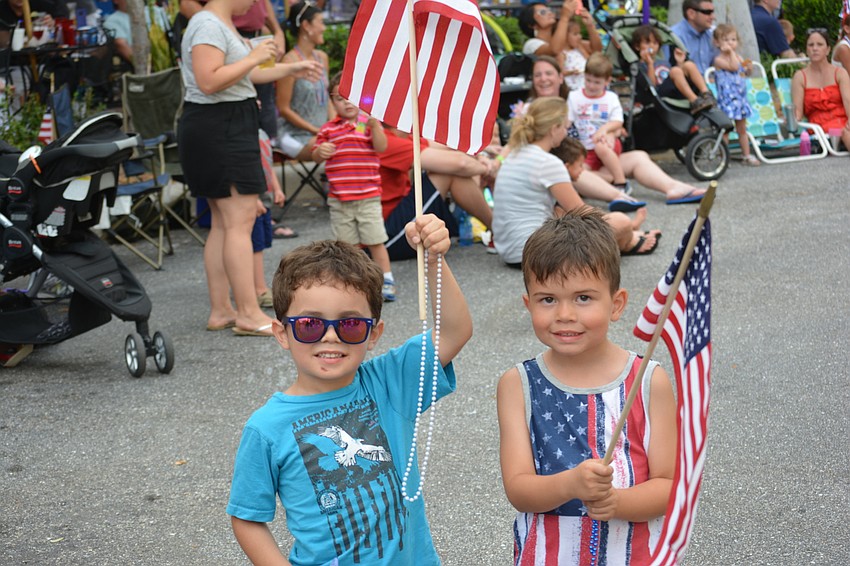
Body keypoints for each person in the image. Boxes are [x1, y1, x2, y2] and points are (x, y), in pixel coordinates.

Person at [227, 215, 473, 565]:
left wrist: (434, 259)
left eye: (351, 324)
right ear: (282, 333)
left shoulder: (389, 383)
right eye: (310, 324)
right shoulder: (265, 428)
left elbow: (454, 331)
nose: (331, 336)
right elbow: (248, 516)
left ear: (373, 333)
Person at [496, 208, 676, 564]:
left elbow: (670, 485)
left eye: (583, 298)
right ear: (528, 303)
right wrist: (571, 485)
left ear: (617, 303)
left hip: (634, 554)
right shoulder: (518, 384)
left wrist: (617, 502)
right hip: (549, 554)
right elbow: (518, 488)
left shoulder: (648, 380)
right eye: (548, 299)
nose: (565, 314)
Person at [177, 0, 321, 336]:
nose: (256, 3)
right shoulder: (209, 25)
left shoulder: (215, 23)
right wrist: (255, 56)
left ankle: (222, 310)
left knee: (224, 224)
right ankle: (247, 313)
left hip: (220, 123)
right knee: (240, 221)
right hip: (222, 125)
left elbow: (244, 75)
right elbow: (208, 80)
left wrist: (287, 70)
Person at [492, 97, 660, 267]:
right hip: (534, 252)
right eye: (564, 127)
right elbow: (581, 212)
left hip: (509, 250)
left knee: (605, 224)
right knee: (620, 221)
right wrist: (616, 225)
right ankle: (629, 240)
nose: (565, 133)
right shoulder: (547, 162)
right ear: (554, 129)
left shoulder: (515, 154)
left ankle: (627, 237)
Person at [520, 56, 706, 207]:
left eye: (548, 74)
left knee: (638, 157)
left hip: (596, 155)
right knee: (572, 170)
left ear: (561, 77)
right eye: (538, 75)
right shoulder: (530, 110)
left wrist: (611, 133)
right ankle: (619, 194)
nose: (543, 79)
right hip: (569, 168)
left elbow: (613, 124)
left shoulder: (575, 98)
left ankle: (674, 188)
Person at [312, 73, 396, 301]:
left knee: (376, 240)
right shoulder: (329, 129)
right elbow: (317, 153)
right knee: (347, 246)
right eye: (340, 98)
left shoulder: (365, 125)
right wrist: (321, 151)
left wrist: (375, 126)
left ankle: (386, 279)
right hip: (340, 199)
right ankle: (354, 283)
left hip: (368, 196)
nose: (346, 102)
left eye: (351, 97)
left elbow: (381, 147)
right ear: (332, 102)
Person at [380, 129, 497, 260]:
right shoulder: (384, 140)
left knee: (449, 170)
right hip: (384, 238)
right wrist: (488, 169)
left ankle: (497, 229)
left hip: (392, 217)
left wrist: (481, 155)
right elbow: (461, 164)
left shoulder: (397, 136)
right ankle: (498, 231)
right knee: (447, 173)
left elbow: (450, 147)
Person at [275, 1, 332, 161]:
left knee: (353, 142)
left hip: (321, 132)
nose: (324, 28)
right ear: (306, 25)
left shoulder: (322, 58)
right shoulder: (289, 62)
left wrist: (336, 125)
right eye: (321, 22)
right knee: (337, 149)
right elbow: (284, 109)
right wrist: (315, 130)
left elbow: (326, 98)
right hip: (295, 135)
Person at [568, 53, 630, 193]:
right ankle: (609, 179)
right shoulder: (575, 97)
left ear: (607, 81)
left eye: (597, 82)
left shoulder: (610, 98)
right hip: (585, 149)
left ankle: (621, 183)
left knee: (600, 147)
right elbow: (568, 121)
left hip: (607, 144)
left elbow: (618, 121)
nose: (591, 86)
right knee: (579, 174)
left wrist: (604, 130)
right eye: (588, 80)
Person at [632, 24, 715, 115]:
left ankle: (706, 94)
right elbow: (651, 85)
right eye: (647, 43)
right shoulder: (639, 66)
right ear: (637, 46)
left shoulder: (663, 62)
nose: (652, 46)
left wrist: (679, 63)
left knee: (688, 65)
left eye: (655, 43)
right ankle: (694, 101)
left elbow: (674, 77)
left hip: (674, 89)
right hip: (657, 94)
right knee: (675, 71)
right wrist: (650, 64)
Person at [792, 28, 850, 153]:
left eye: (820, 44)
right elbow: (798, 113)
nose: (815, 48)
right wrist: (790, 118)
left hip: (844, 123)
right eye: (811, 45)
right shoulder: (800, 77)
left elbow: (848, 101)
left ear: (828, 50)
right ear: (806, 50)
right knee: (845, 133)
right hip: (819, 127)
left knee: (846, 131)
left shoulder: (839, 73)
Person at [712, 23, 759, 166]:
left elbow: (743, 71)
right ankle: (724, 157)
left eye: (733, 40)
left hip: (740, 100)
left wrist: (748, 68)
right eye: (726, 40)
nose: (730, 43)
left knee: (742, 129)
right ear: (717, 43)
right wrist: (732, 54)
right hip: (727, 100)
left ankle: (746, 154)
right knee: (725, 130)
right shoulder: (719, 60)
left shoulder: (738, 57)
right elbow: (732, 67)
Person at [104, 0, 170, 64]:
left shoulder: (156, 11)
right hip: (148, 68)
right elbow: (121, 45)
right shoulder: (111, 21)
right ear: (115, 0)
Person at [518, 0, 578, 66]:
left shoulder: (560, 38)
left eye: (549, 10)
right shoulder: (531, 44)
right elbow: (554, 50)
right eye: (543, 12)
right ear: (532, 25)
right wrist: (564, 17)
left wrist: (589, 24)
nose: (550, 13)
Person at [669, 0, 718, 75]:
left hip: (712, 83)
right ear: (691, 14)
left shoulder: (712, 34)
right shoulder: (674, 36)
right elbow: (665, 70)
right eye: (707, 12)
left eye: (713, 12)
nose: (713, 17)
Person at [561, 7, 603, 92]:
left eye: (579, 33)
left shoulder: (579, 47)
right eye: (575, 34)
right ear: (564, 36)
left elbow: (591, 60)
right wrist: (572, 72)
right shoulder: (562, 53)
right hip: (573, 88)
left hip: (587, 86)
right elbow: (560, 72)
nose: (580, 37)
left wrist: (590, 25)